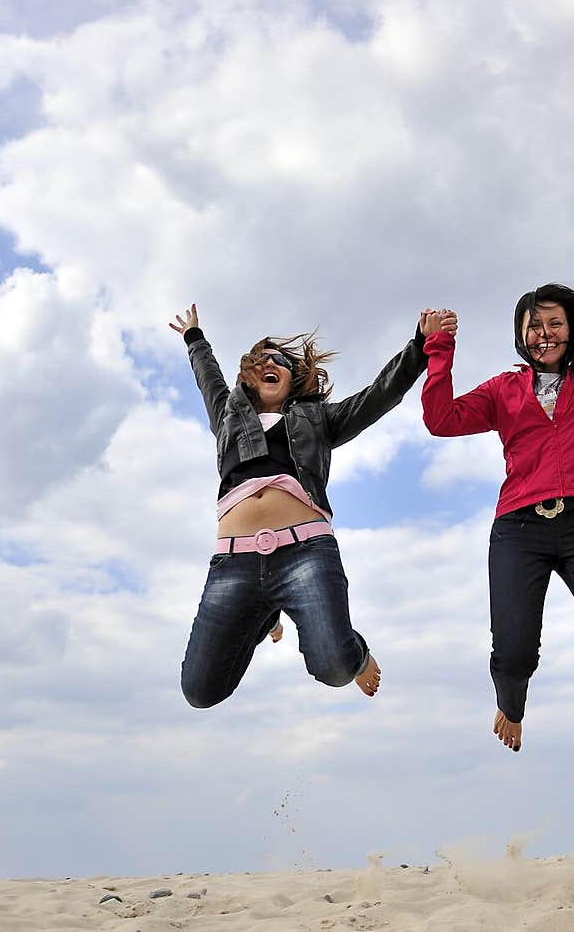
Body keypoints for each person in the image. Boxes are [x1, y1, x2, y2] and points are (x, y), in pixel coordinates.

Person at [421, 189, 574, 801]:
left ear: (570, 332)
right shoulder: (502, 391)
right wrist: (438, 351)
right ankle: (511, 704)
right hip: (519, 528)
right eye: (534, 324)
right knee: (516, 652)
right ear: (521, 334)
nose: (544, 332)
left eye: (554, 323)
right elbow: (441, 419)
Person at [170, 304, 457, 709]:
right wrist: (194, 338)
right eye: (263, 360)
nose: (271, 363)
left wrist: (418, 346)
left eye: (281, 361)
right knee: (199, 692)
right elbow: (208, 379)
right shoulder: (228, 415)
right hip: (235, 564)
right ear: (249, 376)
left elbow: (378, 396)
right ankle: (264, 615)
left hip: (304, 554)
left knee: (335, 668)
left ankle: (355, 652)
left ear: (294, 379)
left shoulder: (318, 419)